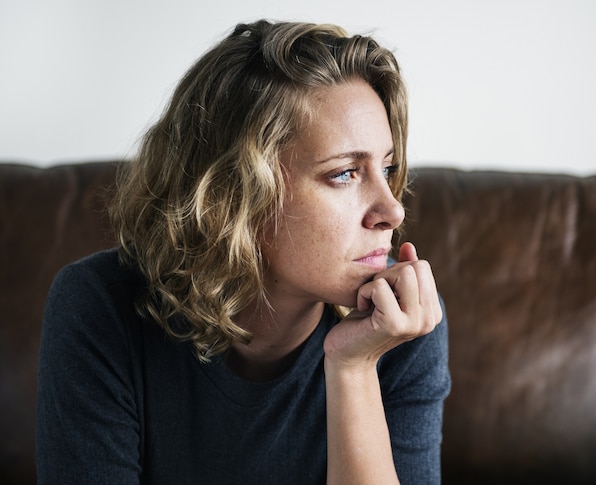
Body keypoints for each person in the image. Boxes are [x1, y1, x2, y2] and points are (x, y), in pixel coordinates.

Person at [36, 19, 450, 484]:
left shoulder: (401, 323)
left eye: (388, 167)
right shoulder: (99, 307)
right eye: (344, 173)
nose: (392, 210)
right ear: (234, 194)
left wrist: (352, 367)